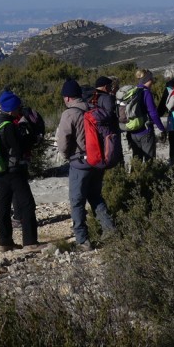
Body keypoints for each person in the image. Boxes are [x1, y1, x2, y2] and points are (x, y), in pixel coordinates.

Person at [56, 78, 116, 250]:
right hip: (97, 161)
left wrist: (67, 156)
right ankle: (109, 230)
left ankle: (83, 240)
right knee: (96, 196)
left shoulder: (69, 114)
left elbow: (63, 142)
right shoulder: (93, 108)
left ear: (67, 98)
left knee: (77, 201)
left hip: (79, 164)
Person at [0, 91, 38, 249]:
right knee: (27, 204)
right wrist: (27, 135)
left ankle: (4, 242)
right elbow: (18, 149)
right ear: (11, 109)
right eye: (18, 107)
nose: (19, 110)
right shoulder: (10, 126)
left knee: (3, 206)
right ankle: (30, 242)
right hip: (14, 171)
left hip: (0, 171)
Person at [127, 69, 167, 161]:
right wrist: (161, 128)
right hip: (146, 131)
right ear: (149, 78)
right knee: (149, 161)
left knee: (136, 161)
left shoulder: (133, 91)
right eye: (152, 78)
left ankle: (135, 175)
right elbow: (153, 113)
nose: (153, 81)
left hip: (133, 131)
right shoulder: (146, 92)